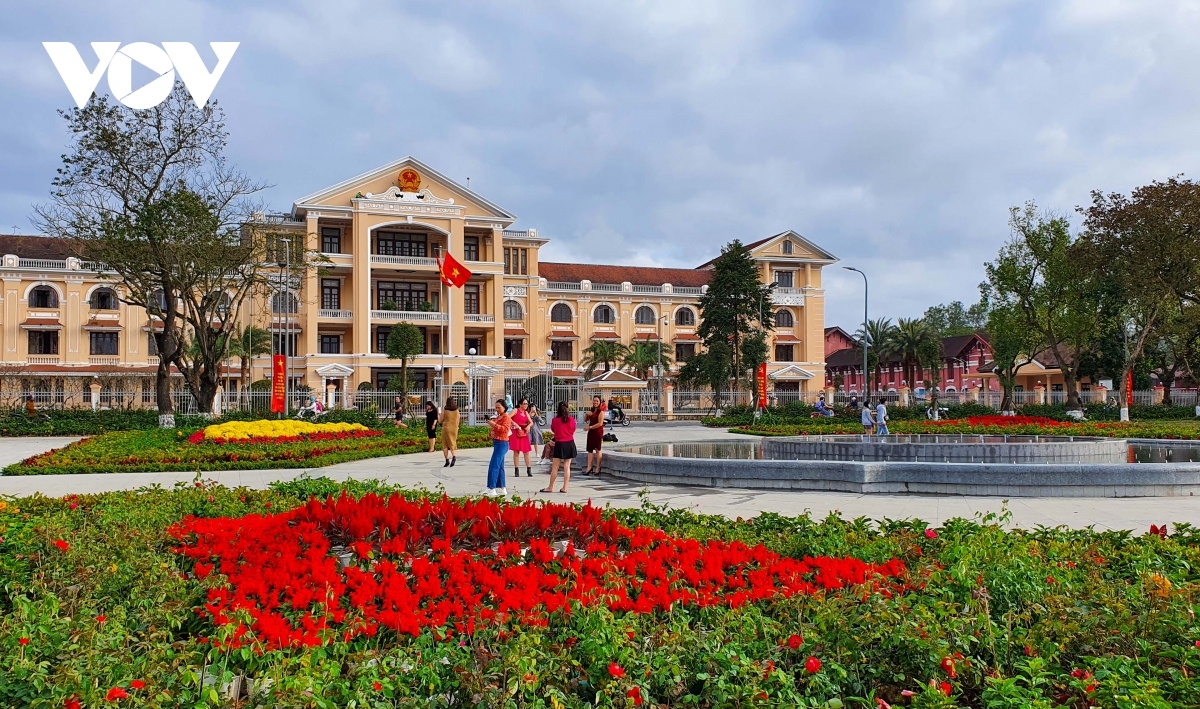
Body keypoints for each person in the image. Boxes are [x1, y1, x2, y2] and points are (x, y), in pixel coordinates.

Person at [543, 402, 577, 494]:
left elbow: (553, 429)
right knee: (567, 466)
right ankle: (565, 487)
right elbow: (573, 429)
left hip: (559, 443)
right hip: (569, 443)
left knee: (555, 467)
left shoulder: (555, 420)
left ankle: (550, 487)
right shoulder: (571, 419)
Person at [485, 399, 512, 496]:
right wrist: (492, 430)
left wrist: (494, 425)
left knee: (494, 465)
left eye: (499, 407)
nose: (497, 409)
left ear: (504, 407)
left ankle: (491, 488)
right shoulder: (498, 417)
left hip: (502, 443)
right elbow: (495, 429)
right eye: (496, 407)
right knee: (500, 466)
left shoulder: (506, 417)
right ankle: (502, 487)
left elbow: (505, 429)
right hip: (497, 442)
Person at [510, 397, 534, 477]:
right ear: (520, 404)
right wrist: (514, 424)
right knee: (516, 452)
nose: (526, 405)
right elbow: (508, 418)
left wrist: (529, 426)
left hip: (524, 432)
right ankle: (516, 470)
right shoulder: (515, 410)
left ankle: (529, 469)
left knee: (526, 452)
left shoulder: (526, 413)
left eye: (527, 404)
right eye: (524, 404)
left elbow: (531, 422)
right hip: (516, 432)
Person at [583, 395, 605, 475]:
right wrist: (586, 414)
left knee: (597, 449)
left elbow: (600, 423)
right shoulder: (592, 410)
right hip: (591, 432)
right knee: (590, 449)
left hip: (597, 432)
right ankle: (589, 467)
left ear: (600, 402)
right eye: (594, 401)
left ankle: (598, 467)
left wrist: (590, 427)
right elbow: (585, 420)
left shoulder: (601, 412)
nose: (595, 402)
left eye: (597, 401)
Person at [439, 397, 459, 467]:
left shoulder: (445, 410)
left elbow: (440, 420)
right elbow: (458, 420)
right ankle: (454, 456)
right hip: (454, 428)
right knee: (452, 442)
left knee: (445, 444)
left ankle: (447, 460)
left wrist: (439, 415)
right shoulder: (457, 410)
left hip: (446, 428)